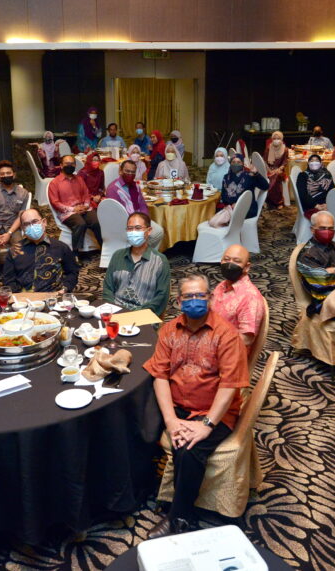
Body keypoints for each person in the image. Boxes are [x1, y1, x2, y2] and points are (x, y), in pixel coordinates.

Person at [144, 274, 249, 538]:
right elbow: (160, 376)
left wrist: (206, 425)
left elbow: (230, 385)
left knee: (187, 449)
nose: (195, 301)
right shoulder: (168, 330)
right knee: (139, 425)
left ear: (210, 298)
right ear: (179, 301)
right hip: (178, 405)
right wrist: (170, 421)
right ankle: (138, 490)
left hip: (214, 411)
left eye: (200, 295)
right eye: (188, 296)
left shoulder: (226, 334)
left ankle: (179, 517)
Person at [103, 213, 172, 316]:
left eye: (138, 228)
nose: (133, 232)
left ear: (149, 231)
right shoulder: (117, 256)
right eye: (130, 229)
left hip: (144, 314)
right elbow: (108, 288)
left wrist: (138, 314)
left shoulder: (160, 261)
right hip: (116, 312)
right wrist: (112, 309)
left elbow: (162, 296)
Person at [0, 209, 79, 293]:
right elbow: (8, 279)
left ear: (44, 222)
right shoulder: (15, 250)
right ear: (22, 228)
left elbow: (72, 272)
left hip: (54, 298)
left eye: (35, 221)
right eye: (26, 224)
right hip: (23, 300)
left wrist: (64, 289)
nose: (31, 226)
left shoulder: (61, 247)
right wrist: (18, 297)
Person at [210, 244, 265, 354]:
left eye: (237, 261)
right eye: (226, 259)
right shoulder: (221, 286)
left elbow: (246, 339)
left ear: (246, 267)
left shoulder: (249, 297)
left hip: (229, 356)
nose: (230, 264)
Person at [48, 154, 102, 261]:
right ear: (61, 165)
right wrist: (73, 209)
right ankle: (76, 254)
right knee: (80, 223)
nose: (70, 165)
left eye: (72, 164)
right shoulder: (55, 183)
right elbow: (55, 203)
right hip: (67, 212)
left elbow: (86, 194)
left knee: (96, 221)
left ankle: (103, 247)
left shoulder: (79, 179)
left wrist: (85, 206)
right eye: (67, 163)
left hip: (83, 208)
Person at [105, 160, 164, 248]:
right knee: (144, 236)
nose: (130, 174)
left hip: (140, 218)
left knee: (159, 231)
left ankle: (144, 256)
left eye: (133, 172)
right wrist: (136, 224)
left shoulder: (136, 186)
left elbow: (143, 205)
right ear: (120, 171)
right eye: (127, 171)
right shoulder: (113, 189)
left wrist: (145, 222)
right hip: (125, 223)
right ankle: (139, 254)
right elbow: (117, 214)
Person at [0, 160, 31, 254]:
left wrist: (9, 233)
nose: (5, 176)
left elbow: (20, 217)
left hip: (12, 227)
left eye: (8, 173)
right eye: (2, 174)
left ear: (14, 174)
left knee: (20, 252)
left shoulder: (23, 193)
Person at [209, 154, 269, 228]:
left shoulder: (249, 176)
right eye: (233, 162)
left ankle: (229, 231)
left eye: (239, 162)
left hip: (247, 208)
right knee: (215, 209)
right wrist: (230, 205)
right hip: (231, 207)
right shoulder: (226, 177)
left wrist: (256, 173)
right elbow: (224, 196)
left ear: (242, 164)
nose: (236, 164)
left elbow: (265, 186)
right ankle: (226, 232)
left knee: (218, 218)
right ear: (230, 164)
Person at [295, 153, 334, 220]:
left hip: (326, 204)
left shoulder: (327, 175)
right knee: (323, 218)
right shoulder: (303, 175)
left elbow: (332, 191)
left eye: (316, 161)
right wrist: (316, 205)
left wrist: (328, 204)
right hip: (310, 205)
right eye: (311, 161)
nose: (314, 162)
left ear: (321, 163)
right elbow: (303, 195)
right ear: (308, 163)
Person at [264, 131, 289, 209]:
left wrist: (279, 169)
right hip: (269, 169)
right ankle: (270, 201)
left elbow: (285, 161)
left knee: (276, 176)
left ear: (281, 139)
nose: (276, 140)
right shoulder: (269, 148)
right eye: (274, 138)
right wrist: (269, 170)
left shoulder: (285, 149)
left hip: (279, 170)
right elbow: (264, 160)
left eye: (278, 138)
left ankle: (278, 202)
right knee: (271, 176)